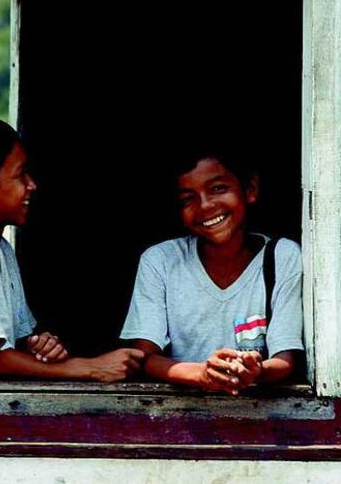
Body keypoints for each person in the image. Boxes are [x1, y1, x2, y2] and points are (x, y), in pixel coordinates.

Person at [0, 115, 143, 381]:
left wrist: (40, 345)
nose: (32, 185)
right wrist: (90, 368)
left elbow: (18, 340)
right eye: (20, 175)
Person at [120, 141, 304, 395]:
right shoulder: (161, 261)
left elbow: (285, 360)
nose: (205, 205)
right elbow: (144, 357)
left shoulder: (281, 257)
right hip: (177, 417)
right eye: (188, 199)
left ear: (250, 189)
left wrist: (254, 371)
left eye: (218, 188)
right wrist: (201, 374)